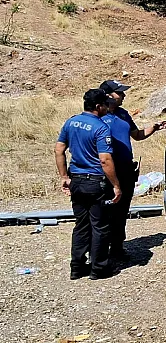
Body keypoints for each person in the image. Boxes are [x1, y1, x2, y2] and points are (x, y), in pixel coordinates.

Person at [55, 89, 122, 280]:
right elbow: (105, 160)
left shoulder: (71, 122)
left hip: (76, 179)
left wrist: (63, 177)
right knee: (100, 226)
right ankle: (98, 269)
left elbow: (59, 150)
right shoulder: (100, 127)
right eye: (105, 105)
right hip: (95, 182)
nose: (108, 108)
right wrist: (116, 185)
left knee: (81, 225)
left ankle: (76, 267)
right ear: (98, 106)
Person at [99, 80, 166, 259]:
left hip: (126, 170)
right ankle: (100, 251)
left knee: (121, 211)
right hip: (105, 172)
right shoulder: (97, 115)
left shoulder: (123, 114)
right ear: (108, 95)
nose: (124, 96)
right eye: (119, 93)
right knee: (104, 212)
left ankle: (118, 247)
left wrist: (154, 127)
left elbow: (136, 135)